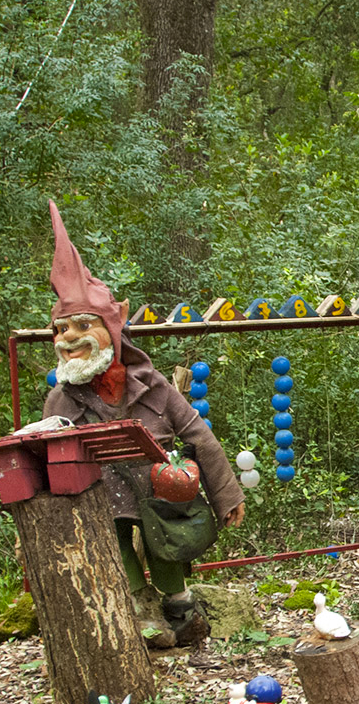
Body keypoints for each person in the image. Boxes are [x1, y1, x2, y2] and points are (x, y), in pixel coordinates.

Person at [39, 201, 244, 647]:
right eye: (59, 330)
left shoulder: (152, 385)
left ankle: (179, 606)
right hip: (101, 498)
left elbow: (198, 434)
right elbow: (43, 453)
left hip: (159, 492)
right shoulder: (61, 398)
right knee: (113, 546)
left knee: (164, 543)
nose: (67, 338)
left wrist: (226, 494)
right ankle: (139, 609)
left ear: (111, 331)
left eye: (81, 325)